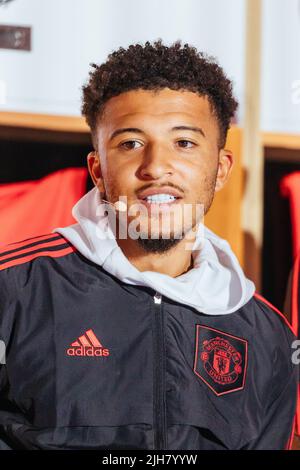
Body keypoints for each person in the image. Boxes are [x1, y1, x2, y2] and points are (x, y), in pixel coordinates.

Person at [0, 40, 298, 450]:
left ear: (221, 168)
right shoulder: (14, 291)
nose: (156, 167)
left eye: (185, 143)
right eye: (131, 143)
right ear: (98, 170)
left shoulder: (268, 335)